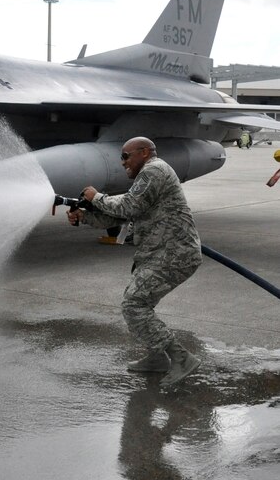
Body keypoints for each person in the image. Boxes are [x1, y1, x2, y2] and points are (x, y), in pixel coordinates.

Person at [67, 137, 202, 387]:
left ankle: (181, 358)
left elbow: (127, 206)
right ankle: (157, 358)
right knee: (137, 304)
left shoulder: (154, 170)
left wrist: (96, 197)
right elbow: (118, 219)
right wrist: (84, 216)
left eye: (126, 156)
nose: (122, 162)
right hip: (160, 254)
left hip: (174, 254)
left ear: (144, 152)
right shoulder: (148, 175)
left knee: (134, 305)